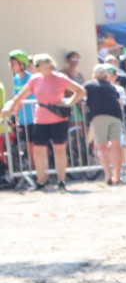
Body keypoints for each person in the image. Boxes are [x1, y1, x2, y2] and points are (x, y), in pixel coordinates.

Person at [1, 53, 86, 191]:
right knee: (38, 150)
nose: (34, 67)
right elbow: (21, 95)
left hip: (58, 119)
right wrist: (10, 107)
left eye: (37, 65)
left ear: (47, 65)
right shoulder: (34, 80)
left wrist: (68, 103)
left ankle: (61, 180)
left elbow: (80, 91)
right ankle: (41, 181)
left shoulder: (60, 78)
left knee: (59, 149)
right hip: (40, 119)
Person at [84, 64, 125, 185]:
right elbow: (119, 101)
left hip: (99, 115)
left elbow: (80, 94)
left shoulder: (89, 85)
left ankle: (107, 175)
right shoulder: (111, 86)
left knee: (101, 148)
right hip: (116, 115)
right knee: (116, 146)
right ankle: (117, 176)